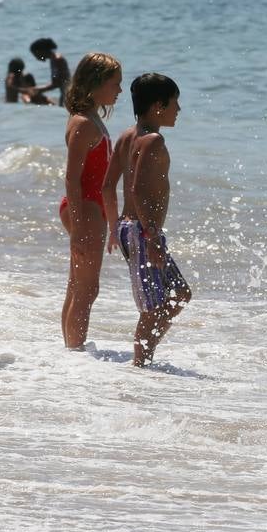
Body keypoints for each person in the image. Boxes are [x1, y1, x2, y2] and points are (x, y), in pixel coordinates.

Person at [102, 74, 191, 366]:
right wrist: (151, 237)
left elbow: (107, 186)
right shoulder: (153, 140)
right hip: (144, 232)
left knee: (180, 293)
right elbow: (137, 188)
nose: (178, 109)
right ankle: (141, 365)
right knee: (153, 308)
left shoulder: (127, 135)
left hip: (135, 229)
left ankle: (145, 356)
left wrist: (114, 228)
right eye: (175, 103)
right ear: (158, 106)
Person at [59, 53, 123, 350]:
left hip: (89, 206)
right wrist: (78, 223)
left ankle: (70, 350)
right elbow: (72, 178)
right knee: (87, 288)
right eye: (115, 84)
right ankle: (75, 352)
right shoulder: (84, 123)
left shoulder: (91, 118)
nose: (119, 91)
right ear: (95, 84)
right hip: (84, 207)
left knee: (78, 285)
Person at [31, 38, 71, 107]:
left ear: (41, 50)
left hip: (68, 95)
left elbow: (56, 83)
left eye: (35, 54)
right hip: (66, 93)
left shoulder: (57, 59)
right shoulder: (54, 58)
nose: (36, 57)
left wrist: (39, 90)